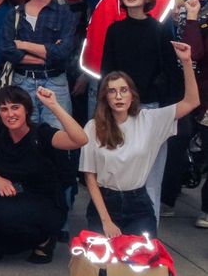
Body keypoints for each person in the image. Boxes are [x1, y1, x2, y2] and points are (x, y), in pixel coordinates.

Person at [80, 41, 199, 238]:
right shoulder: (93, 127)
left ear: (132, 95)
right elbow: (90, 177)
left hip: (138, 203)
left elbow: (191, 102)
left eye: (123, 90)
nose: (118, 96)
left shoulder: (150, 120)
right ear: (105, 97)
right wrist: (106, 221)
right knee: (103, 265)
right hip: (105, 202)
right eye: (112, 91)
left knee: (143, 264)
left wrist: (186, 62)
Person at [0, 85, 88, 265]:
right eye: (4, 109)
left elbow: (80, 140)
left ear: (26, 109)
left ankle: (43, 240)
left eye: (15, 107)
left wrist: (53, 105)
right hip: (10, 193)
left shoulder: (41, 133)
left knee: (6, 214)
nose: (10, 114)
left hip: (43, 202)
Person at [100, 0, 182, 222]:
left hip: (149, 108)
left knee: (150, 177)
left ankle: (149, 233)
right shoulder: (114, 30)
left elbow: (170, 71)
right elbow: (108, 70)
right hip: (119, 110)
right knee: (118, 171)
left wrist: (165, 111)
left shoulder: (159, 30)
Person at [0, 0, 76, 128]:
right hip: (22, 82)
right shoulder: (15, 13)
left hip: (55, 83)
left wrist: (22, 44)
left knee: (59, 135)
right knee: (24, 135)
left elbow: (63, 53)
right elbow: (7, 50)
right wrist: (46, 54)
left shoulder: (64, 14)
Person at [177, 0, 208, 228]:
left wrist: (192, 20)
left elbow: (194, 52)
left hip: (204, 92)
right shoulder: (183, 8)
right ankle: (169, 195)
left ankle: (207, 208)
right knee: (185, 142)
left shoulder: (193, 13)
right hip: (187, 89)